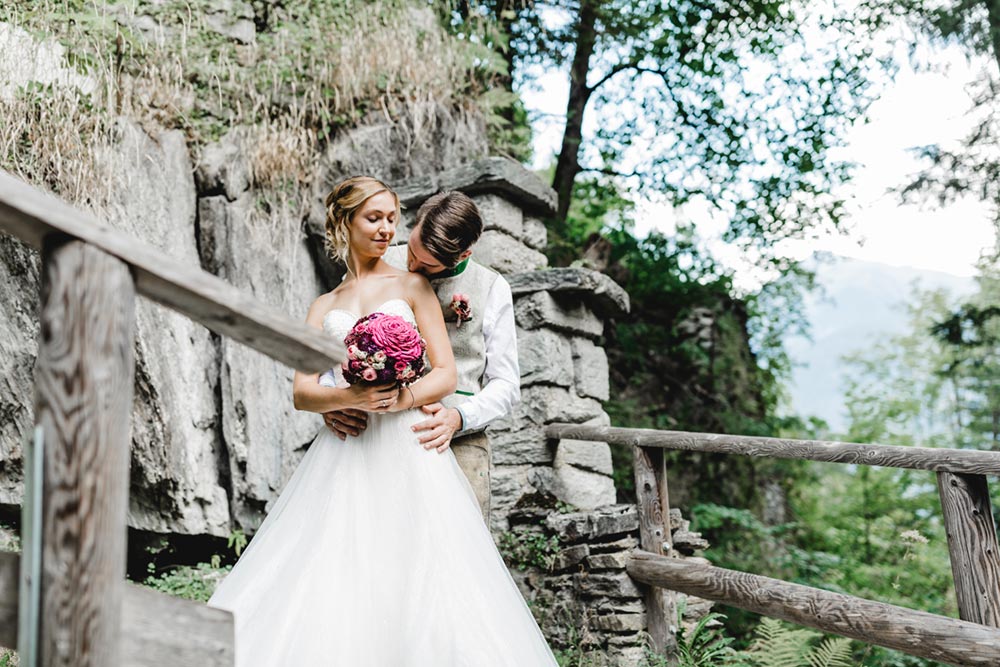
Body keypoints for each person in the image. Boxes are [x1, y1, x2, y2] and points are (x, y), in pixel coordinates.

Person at [207, 176, 557, 666]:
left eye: (393, 223)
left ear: (462, 254)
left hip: (445, 435)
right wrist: (342, 402)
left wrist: (449, 413)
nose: (405, 252)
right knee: (346, 564)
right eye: (396, 233)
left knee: (446, 574)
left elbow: (495, 383)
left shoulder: (485, 288)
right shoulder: (343, 292)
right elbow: (312, 384)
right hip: (358, 441)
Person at [323, 190, 519, 523]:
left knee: (458, 552)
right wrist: (331, 400)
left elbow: (506, 384)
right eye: (412, 250)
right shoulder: (372, 263)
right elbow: (334, 337)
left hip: (453, 441)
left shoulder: (491, 288)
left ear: (463, 254)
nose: (412, 265)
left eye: (427, 265)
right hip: (373, 436)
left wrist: (460, 417)